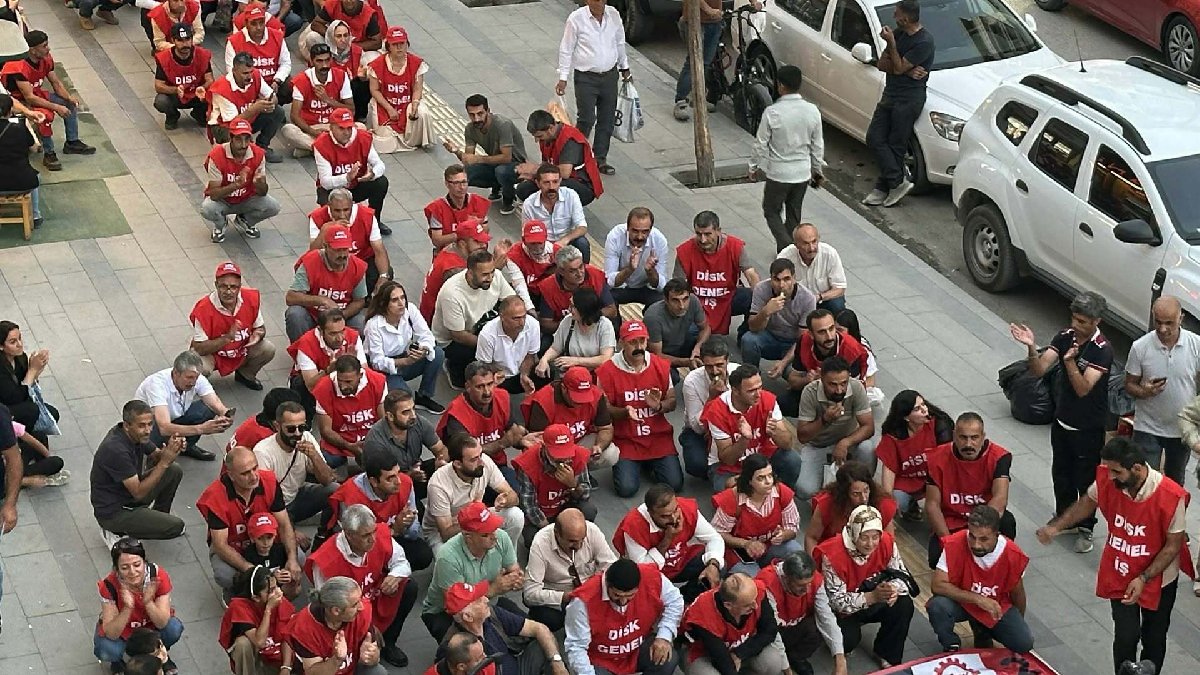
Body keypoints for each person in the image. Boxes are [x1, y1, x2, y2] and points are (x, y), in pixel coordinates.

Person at [1036, 438, 1187, 675]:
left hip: (1159, 577)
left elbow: (1172, 546)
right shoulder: (1109, 479)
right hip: (1122, 570)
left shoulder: (1170, 495)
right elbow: (1087, 502)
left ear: (1136, 468)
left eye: (1117, 472)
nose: (1110, 477)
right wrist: (1056, 527)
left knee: (1154, 636)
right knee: (1126, 635)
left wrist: (1144, 578)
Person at [1010, 291, 1113, 554]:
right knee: (1061, 473)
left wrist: (1069, 362)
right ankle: (1064, 516)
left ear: (1096, 321)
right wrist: (1032, 347)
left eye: (1083, 322)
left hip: (1088, 427)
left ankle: (1086, 526)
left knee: (1086, 479)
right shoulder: (1065, 336)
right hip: (1062, 420)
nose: (1076, 326)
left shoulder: (1102, 350)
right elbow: (1039, 370)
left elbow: (1082, 388)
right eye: (1074, 319)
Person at [306, 504, 417, 667]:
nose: (373, 538)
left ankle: (389, 642)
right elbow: (330, 608)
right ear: (349, 535)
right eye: (366, 535)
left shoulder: (379, 534)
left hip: (374, 594)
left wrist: (395, 575)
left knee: (408, 586)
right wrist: (367, 625)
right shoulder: (325, 561)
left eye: (373, 532)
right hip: (349, 609)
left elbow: (402, 563)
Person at [816, 505, 913, 668]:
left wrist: (893, 589)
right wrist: (872, 597)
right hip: (843, 610)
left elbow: (902, 574)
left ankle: (887, 653)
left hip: (874, 594)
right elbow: (836, 602)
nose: (870, 544)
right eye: (864, 537)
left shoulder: (887, 543)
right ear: (853, 533)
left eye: (875, 537)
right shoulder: (833, 556)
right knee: (846, 641)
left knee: (904, 604)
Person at [929, 504, 1032, 653]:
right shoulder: (954, 543)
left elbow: (1018, 594)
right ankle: (950, 644)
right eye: (972, 536)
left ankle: (982, 629)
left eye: (984, 539)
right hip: (962, 603)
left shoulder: (1013, 555)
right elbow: (937, 585)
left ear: (997, 534)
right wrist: (978, 599)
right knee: (937, 606)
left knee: (1023, 643)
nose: (976, 544)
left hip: (995, 607)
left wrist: (1017, 623)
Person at [196, 446, 301, 593]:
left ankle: (273, 589)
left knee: (299, 557)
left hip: (265, 541)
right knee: (225, 576)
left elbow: (283, 524)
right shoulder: (215, 496)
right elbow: (220, 545)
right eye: (245, 473)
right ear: (231, 475)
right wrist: (255, 572)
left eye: (255, 468)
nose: (253, 476)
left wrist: (292, 559)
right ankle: (237, 591)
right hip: (234, 546)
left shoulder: (269, 481)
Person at [863, 0, 934, 208]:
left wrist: (894, 49)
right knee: (875, 137)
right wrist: (903, 68)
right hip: (891, 94)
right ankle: (897, 182)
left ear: (906, 18)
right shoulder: (899, 34)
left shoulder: (924, 42)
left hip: (909, 98)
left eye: (896, 14)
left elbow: (899, 66)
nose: (894, 17)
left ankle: (883, 186)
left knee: (896, 143)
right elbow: (884, 64)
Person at [597, 321, 681, 497]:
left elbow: (672, 401)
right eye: (632, 342)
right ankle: (640, 465)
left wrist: (659, 406)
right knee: (626, 489)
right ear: (622, 343)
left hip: (657, 437)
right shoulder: (606, 371)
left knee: (675, 484)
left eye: (642, 341)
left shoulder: (661, 365)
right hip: (626, 438)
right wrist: (624, 412)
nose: (639, 347)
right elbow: (604, 411)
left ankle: (649, 464)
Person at [1125, 295, 1200, 486]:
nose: (1163, 329)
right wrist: (1144, 391)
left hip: (1180, 429)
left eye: (1169, 323)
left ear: (1181, 318)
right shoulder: (1140, 347)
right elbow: (1129, 384)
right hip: (1147, 427)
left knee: (1175, 484)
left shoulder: (1196, 345)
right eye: (1158, 322)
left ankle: (1171, 516)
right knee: (1144, 482)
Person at [422, 501, 523, 642]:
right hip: (444, 613)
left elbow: (514, 569)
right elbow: (456, 606)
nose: (494, 535)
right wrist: (493, 589)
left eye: (493, 527)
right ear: (468, 536)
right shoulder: (448, 557)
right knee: (473, 651)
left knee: (526, 628)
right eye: (485, 534)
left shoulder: (501, 537)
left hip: (486, 603)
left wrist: (516, 579)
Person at [925, 412, 1017, 568]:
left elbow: (1000, 499)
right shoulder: (935, 458)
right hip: (952, 521)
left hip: (984, 520)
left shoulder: (999, 457)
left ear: (983, 437)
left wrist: (979, 535)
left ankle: (999, 563)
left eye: (974, 438)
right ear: (954, 436)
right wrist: (949, 543)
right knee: (936, 559)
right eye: (963, 437)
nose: (969, 444)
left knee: (1007, 521)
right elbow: (932, 505)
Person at [564, 557, 683, 675]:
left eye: (630, 595)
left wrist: (664, 636)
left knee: (667, 659)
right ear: (607, 584)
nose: (623, 601)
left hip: (637, 649)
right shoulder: (583, 602)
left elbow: (675, 601)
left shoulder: (652, 578)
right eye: (617, 595)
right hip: (599, 660)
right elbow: (576, 647)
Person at [751, 65, 825, 251]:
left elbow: (760, 143)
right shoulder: (812, 111)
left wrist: (753, 166)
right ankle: (787, 248)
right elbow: (817, 145)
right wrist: (817, 170)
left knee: (771, 210)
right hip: (802, 173)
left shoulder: (772, 112)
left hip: (779, 173)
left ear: (780, 86)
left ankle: (787, 248)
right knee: (794, 212)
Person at [320, 448, 430, 570]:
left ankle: (388, 575)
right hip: (360, 548)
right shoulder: (350, 497)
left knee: (423, 554)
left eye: (398, 473)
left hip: (389, 537)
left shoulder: (405, 482)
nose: (398, 481)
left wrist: (407, 525)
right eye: (390, 478)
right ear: (374, 481)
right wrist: (395, 530)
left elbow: (414, 533)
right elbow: (358, 544)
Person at [613, 483, 724, 603]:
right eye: (665, 516)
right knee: (639, 588)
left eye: (675, 510)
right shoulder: (634, 526)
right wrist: (667, 539)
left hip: (679, 562)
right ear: (650, 513)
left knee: (717, 564)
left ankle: (685, 599)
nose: (674, 518)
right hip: (653, 574)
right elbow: (642, 569)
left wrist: (713, 565)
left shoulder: (686, 509)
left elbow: (714, 538)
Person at [91, 401, 185, 540]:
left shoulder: (138, 435)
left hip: (128, 493)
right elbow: (138, 492)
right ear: (127, 426)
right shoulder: (116, 450)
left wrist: (172, 449)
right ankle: (117, 532)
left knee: (174, 470)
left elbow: (156, 455)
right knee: (176, 527)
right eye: (142, 425)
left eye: (150, 424)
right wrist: (165, 461)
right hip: (114, 511)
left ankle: (158, 515)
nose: (148, 430)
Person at [1, 31, 94, 171]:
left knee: (69, 104)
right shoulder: (18, 67)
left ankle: (72, 142)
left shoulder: (46, 58)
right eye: (44, 46)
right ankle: (49, 154)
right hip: (21, 101)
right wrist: (56, 107)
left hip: (39, 94)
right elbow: (29, 98)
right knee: (45, 117)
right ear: (32, 50)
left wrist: (68, 98)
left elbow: (56, 83)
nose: (48, 48)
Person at [555, 0, 629, 175]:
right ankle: (573, 158)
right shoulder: (576, 19)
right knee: (587, 119)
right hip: (586, 77)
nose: (600, 3)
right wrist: (563, 77)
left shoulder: (613, 15)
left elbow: (619, 43)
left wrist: (624, 68)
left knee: (607, 119)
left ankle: (600, 159)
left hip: (609, 76)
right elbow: (566, 49)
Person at [431, 250, 522, 388]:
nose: (490, 278)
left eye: (492, 272)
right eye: (485, 274)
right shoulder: (452, 294)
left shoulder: (495, 276)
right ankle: (452, 367)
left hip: (482, 326)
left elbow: (510, 300)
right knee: (473, 356)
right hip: (453, 340)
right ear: (470, 273)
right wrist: (494, 346)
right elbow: (458, 335)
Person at [702, 364, 798, 492]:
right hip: (729, 467)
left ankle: (779, 498)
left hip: (763, 458)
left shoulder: (768, 399)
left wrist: (776, 432)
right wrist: (744, 439)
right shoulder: (716, 411)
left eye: (760, 388)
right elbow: (728, 459)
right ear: (735, 391)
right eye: (751, 390)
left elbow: (788, 444)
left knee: (792, 459)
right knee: (728, 489)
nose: (758, 394)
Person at [439, 580, 568, 675]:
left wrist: (557, 662)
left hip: (519, 666)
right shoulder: (453, 648)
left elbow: (538, 628)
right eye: (479, 600)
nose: (486, 600)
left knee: (545, 645)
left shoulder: (492, 614)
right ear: (467, 616)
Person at [421, 434, 524, 552]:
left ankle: (506, 558)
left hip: (478, 516)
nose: (482, 462)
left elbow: (514, 497)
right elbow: (446, 534)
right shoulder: (438, 485)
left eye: (480, 455)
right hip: (443, 531)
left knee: (515, 516)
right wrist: (474, 517)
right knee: (445, 557)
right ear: (458, 464)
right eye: (474, 459)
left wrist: (505, 500)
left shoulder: (484, 462)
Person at [793, 356, 877, 500]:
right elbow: (803, 436)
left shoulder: (856, 387)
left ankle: (863, 488)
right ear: (821, 379)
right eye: (832, 384)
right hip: (818, 446)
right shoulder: (810, 392)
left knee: (867, 448)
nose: (839, 390)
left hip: (849, 443)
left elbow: (869, 427)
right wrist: (825, 420)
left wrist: (845, 443)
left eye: (844, 383)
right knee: (804, 490)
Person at [94, 538, 184, 672]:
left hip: (150, 630)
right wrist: (127, 608)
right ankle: (118, 662)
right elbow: (111, 634)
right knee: (107, 649)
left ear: (144, 562)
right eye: (125, 567)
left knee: (173, 628)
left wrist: (148, 602)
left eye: (137, 564)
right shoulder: (109, 586)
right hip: (124, 633)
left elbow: (162, 623)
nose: (132, 572)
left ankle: (159, 655)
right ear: (116, 569)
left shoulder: (157, 576)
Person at [524, 508, 617, 633]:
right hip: (561, 597)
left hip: (592, 591)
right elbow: (529, 594)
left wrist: (593, 588)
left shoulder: (592, 530)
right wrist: (565, 597)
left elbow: (611, 566)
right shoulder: (540, 544)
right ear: (557, 533)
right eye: (572, 541)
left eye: (582, 540)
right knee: (548, 618)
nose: (578, 546)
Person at [438, 360, 533, 482]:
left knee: (517, 494)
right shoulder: (456, 414)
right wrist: (502, 443)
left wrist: (523, 439)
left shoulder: (502, 397)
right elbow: (468, 457)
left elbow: (512, 435)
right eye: (480, 387)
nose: (487, 392)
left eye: (490, 384)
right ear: (468, 387)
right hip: (467, 474)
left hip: (497, 466)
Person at [756, 551, 847, 675]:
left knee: (820, 625)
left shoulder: (815, 579)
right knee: (772, 660)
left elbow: (826, 617)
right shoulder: (767, 584)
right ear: (786, 578)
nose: (807, 589)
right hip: (772, 631)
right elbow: (772, 631)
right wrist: (788, 671)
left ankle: (796, 658)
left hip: (795, 625)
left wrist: (840, 660)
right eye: (801, 585)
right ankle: (785, 663)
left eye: (809, 583)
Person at [188, 261, 275, 390]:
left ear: (240, 287)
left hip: (241, 350)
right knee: (196, 365)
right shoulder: (203, 309)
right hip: (213, 354)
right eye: (223, 286)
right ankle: (194, 389)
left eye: (233, 287)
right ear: (216, 285)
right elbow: (199, 348)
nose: (228, 292)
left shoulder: (250, 299)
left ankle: (245, 375)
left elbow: (260, 328)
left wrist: (257, 336)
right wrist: (227, 338)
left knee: (267, 349)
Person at [133, 350, 233, 461]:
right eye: (189, 378)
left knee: (207, 409)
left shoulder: (196, 378)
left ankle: (186, 447)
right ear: (176, 373)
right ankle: (156, 457)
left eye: (196, 377)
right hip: (152, 426)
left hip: (174, 417)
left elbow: (214, 402)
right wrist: (201, 429)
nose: (193, 382)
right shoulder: (156, 385)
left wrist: (225, 414)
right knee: (155, 445)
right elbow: (164, 427)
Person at [712, 454, 802, 577]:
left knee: (796, 552)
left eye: (770, 475)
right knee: (755, 582)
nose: (768, 482)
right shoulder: (732, 499)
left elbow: (792, 528)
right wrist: (746, 544)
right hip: (739, 553)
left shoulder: (782, 493)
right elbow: (717, 534)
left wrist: (783, 535)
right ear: (749, 481)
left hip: (770, 547)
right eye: (761, 478)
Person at [680, 572, 786, 675]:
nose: (755, 606)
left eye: (755, 599)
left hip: (739, 648)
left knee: (773, 662)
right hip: (703, 654)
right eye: (747, 605)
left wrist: (740, 653)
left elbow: (770, 631)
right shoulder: (704, 614)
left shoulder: (755, 591)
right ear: (728, 605)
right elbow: (723, 662)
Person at [251, 399, 338, 523]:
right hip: (276, 508)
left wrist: (314, 456)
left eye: (302, 427)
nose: (297, 433)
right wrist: (289, 530)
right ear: (277, 426)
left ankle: (324, 532)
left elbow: (327, 479)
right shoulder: (263, 452)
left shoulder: (306, 437)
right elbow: (263, 499)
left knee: (335, 490)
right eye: (291, 429)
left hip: (297, 495)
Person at [522, 366, 620, 475]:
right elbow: (537, 442)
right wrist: (561, 457)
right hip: (553, 447)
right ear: (563, 388)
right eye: (576, 396)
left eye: (584, 396)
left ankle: (580, 472)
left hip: (579, 442)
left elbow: (606, 428)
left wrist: (599, 446)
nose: (581, 402)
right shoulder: (544, 400)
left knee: (611, 453)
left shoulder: (596, 395)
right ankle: (555, 476)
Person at [362, 280, 444, 411]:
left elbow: (427, 335)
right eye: (394, 300)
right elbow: (377, 362)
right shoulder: (374, 325)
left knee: (437, 353)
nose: (401, 303)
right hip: (383, 370)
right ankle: (381, 394)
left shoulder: (410, 310)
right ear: (384, 304)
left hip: (404, 359)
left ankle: (424, 395)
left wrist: (423, 349)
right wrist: (406, 361)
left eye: (402, 298)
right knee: (405, 399)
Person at [674, 211, 758, 336]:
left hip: (727, 297)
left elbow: (751, 274)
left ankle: (745, 334)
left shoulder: (735, 247)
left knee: (752, 296)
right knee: (689, 334)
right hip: (697, 303)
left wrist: (762, 300)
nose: (703, 240)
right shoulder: (684, 251)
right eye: (699, 234)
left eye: (708, 234)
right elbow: (678, 285)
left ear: (718, 231)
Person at [200, 118, 281, 244]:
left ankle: (245, 220)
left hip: (247, 198)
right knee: (207, 208)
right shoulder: (216, 156)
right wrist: (235, 185)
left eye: (247, 139)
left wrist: (260, 184)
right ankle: (220, 225)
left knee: (273, 206)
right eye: (238, 139)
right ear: (230, 138)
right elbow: (214, 194)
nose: (243, 145)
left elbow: (263, 193)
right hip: (223, 200)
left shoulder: (258, 154)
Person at [285, 222, 369, 342]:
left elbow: (359, 301)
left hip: (342, 315)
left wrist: (341, 316)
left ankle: (348, 357)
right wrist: (321, 300)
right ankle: (302, 353)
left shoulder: (358, 267)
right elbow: (291, 297)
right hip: (313, 315)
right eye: (337, 250)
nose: (342, 254)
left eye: (345, 249)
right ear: (326, 246)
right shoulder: (310, 262)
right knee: (295, 314)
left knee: (361, 323)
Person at [362, 389, 449, 505]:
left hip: (416, 471)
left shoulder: (418, 422)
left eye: (413, 409)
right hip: (392, 485)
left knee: (457, 466)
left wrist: (441, 462)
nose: (413, 415)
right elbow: (381, 483)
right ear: (390, 416)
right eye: (405, 412)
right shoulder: (376, 443)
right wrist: (408, 477)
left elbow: (441, 449)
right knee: (417, 517)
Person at [512, 423, 596, 542]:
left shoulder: (578, 456)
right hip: (543, 514)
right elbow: (529, 507)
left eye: (567, 454)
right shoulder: (527, 465)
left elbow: (586, 494)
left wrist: (573, 485)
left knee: (588, 510)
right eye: (558, 455)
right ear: (544, 447)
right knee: (533, 538)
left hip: (566, 508)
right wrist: (553, 534)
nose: (564, 460)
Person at [287, 577, 387, 675]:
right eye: (355, 604)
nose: (361, 607)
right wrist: (336, 660)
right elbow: (312, 672)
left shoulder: (361, 614)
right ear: (336, 610)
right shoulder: (304, 628)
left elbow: (374, 656)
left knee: (377, 671)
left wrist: (373, 657)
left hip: (352, 669)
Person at [777, 309, 870, 414]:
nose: (829, 336)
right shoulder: (804, 341)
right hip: (813, 388)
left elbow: (853, 392)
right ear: (811, 334)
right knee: (780, 405)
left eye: (831, 329)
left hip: (841, 397)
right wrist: (807, 380)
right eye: (822, 332)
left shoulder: (852, 350)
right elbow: (793, 380)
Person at [877, 389, 952, 519]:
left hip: (937, 477)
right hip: (908, 480)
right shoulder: (893, 436)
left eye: (923, 404)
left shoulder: (939, 424)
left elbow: (948, 462)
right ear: (906, 417)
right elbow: (889, 468)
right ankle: (911, 509)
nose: (924, 410)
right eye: (917, 409)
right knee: (898, 502)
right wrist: (888, 500)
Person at [448, 93, 527, 214]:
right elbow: (469, 159)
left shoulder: (502, 125)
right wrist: (456, 151)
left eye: (480, 114)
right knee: (467, 172)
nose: (476, 119)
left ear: (488, 111)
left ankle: (509, 199)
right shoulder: (470, 129)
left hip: (516, 164)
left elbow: (506, 158)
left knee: (501, 171)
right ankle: (497, 186)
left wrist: (479, 159)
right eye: (472, 115)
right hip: (495, 163)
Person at [286, 307, 367, 416]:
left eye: (342, 331)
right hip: (312, 383)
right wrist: (329, 370)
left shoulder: (353, 336)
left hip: (341, 379)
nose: (340, 338)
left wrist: (353, 365)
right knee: (300, 385)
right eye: (333, 334)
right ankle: (307, 419)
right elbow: (311, 385)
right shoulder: (306, 344)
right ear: (320, 331)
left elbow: (365, 371)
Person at [309, 187, 392, 292]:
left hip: (362, 260)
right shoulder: (317, 217)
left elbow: (379, 250)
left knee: (385, 272)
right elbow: (312, 253)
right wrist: (325, 230)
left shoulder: (367, 216)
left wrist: (383, 276)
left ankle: (366, 298)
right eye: (337, 210)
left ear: (352, 205)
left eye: (346, 210)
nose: (342, 215)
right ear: (329, 206)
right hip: (332, 262)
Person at [218, 565, 296, 675]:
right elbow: (260, 641)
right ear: (256, 597)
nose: (278, 593)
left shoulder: (282, 603)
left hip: (275, 657)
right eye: (271, 590)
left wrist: (286, 667)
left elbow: (287, 638)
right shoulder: (239, 606)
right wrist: (268, 610)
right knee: (242, 644)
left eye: (276, 587)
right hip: (255, 657)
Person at [208, 52, 285, 162]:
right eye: (244, 73)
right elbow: (233, 123)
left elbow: (273, 97)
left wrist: (269, 102)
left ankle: (262, 147)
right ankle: (232, 154)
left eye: (250, 72)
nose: (249, 76)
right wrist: (254, 109)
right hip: (223, 126)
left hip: (246, 118)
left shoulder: (256, 75)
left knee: (277, 112)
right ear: (234, 71)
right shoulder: (222, 89)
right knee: (238, 149)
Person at [313, 105, 391, 215]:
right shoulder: (321, 145)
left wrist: (373, 174)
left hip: (357, 185)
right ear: (331, 127)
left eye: (349, 128)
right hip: (333, 190)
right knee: (330, 222)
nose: (346, 132)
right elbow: (325, 182)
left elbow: (379, 164)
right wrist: (347, 178)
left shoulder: (363, 138)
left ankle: (375, 220)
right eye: (341, 128)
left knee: (381, 182)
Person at [312, 354, 387, 467]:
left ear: (360, 375)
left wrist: (372, 444)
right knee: (323, 464)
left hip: (372, 437)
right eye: (340, 380)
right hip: (339, 443)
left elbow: (384, 421)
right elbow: (325, 430)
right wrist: (349, 446)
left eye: (348, 382)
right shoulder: (323, 388)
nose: (342, 386)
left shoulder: (377, 382)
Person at [741, 259, 816, 370]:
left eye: (786, 279)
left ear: (794, 278)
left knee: (794, 378)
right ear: (771, 279)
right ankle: (751, 375)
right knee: (748, 340)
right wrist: (766, 312)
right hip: (769, 336)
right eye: (776, 279)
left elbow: (802, 340)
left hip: (792, 343)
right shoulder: (761, 289)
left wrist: (783, 363)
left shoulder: (808, 299)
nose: (781, 285)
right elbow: (753, 327)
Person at [367, 25, 433, 151]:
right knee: (386, 143)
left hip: (407, 103)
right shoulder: (376, 65)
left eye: (402, 43)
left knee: (422, 112)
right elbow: (374, 90)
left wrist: (415, 104)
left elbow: (418, 88)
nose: (399, 47)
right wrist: (389, 109)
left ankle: (415, 140)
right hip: (385, 106)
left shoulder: (416, 63)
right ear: (388, 46)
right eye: (395, 44)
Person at [806, 461, 897, 553]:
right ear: (844, 493)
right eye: (856, 494)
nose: (864, 499)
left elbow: (889, 543)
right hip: (833, 555)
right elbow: (811, 538)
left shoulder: (882, 503)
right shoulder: (827, 504)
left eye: (866, 490)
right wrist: (815, 565)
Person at [517, 109, 603, 204]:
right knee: (523, 190)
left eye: (539, 136)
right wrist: (534, 176)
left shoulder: (570, 141)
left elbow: (564, 172)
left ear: (550, 128)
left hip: (581, 184)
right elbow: (547, 164)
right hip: (560, 178)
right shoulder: (547, 139)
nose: (537, 140)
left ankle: (556, 213)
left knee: (549, 186)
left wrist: (535, 170)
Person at [680, 339, 738, 481]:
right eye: (709, 366)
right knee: (697, 465)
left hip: (733, 428)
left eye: (719, 365)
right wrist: (712, 399)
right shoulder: (691, 381)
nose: (715, 371)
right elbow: (696, 427)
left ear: (728, 361)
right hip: (700, 433)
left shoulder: (739, 373)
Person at [282, 43, 354, 155]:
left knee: (360, 127)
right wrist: (314, 132)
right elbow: (294, 116)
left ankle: (313, 149)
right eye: (319, 61)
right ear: (311, 62)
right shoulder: (301, 80)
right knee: (288, 130)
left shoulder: (341, 76)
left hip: (335, 127)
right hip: (311, 128)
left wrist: (328, 100)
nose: (324, 65)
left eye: (327, 60)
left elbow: (351, 110)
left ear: (331, 60)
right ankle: (329, 149)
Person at [419, 217, 492, 322]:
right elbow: (478, 290)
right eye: (477, 241)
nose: (484, 245)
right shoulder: (454, 269)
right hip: (436, 323)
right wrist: (496, 266)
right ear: (462, 244)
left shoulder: (453, 248)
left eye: (483, 240)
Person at [535, 288, 617, 378]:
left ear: (584, 309)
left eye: (573, 306)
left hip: (597, 375)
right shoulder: (568, 320)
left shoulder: (604, 325)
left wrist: (576, 361)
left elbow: (605, 358)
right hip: (572, 375)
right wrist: (544, 359)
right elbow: (556, 348)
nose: (569, 309)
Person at [0, 322, 59, 445]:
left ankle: (27, 435)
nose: (19, 344)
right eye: (13, 342)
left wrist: (36, 371)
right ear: (1, 346)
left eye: (19, 338)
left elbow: (28, 385)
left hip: (19, 401)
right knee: (31, 410)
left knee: (52, 414)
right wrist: (32, 370)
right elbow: (15, 397)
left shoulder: (20, 358)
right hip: (5, 409)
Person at [536, 245, 616, 335]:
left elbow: (612, 310)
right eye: (572, 271)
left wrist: (585, 317)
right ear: (561, 272)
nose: (579, 273)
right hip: (563, 332)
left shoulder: (595, 275)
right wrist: (571, 323)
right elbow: (546, 324)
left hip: (593, 326)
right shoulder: (548, 287)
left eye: (581, 267)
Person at [643, 281, 711, 385]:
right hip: (662, 353)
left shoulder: (693, 301)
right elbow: (657, 355)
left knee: (712, 348)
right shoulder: (653, 317)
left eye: (685, 299)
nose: (682, 306)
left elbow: (705, 328)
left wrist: (698, 347)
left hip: (681, 343)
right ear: (665, 300)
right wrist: (687, 362)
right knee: (672, 377)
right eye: (675, 300)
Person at [521, 163, 592, 262]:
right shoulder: (529, 204)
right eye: (546, 182)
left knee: (582, 243)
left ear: (560, 181)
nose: (551, 187)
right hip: (543, 245)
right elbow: (526, 233)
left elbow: (582, 227)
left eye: (555, 182)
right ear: (538, 183)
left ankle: (584, 272)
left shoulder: (571, 195)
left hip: (567, 242)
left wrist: (564, 240)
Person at [476, 296, 542, 395]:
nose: (522, 322)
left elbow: (530, 355)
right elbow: (485, 364)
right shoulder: (487, 334)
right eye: (516, 318)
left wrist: (524, 374)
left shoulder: (533, 324)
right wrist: (498, 373)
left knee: (546, 373)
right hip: (499, 377)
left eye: (524, 316)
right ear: (502, 317)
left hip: (522, 370)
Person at [777, 223, 848, 314]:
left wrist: (819, 297)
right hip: (798, 302)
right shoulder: (785, 257)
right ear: (796, 245)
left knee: (837, 304)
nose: (811, 248)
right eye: (806, 243)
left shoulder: (830, 253)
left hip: (824, 299)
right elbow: (779, 287)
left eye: (814, 241)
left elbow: (840, 288)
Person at [152, 23, 212, 130]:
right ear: (173, 41)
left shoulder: (203, 55)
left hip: (197, 94)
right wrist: (176, 90)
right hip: (176, 96)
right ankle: (172, 115)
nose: (185, 44)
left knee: (214, 94)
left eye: (188, 39)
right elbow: (158, 86)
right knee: (161, 101)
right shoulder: (164, 58)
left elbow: (210, 80)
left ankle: (199, 113)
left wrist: (202, 87)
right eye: (180, 40)